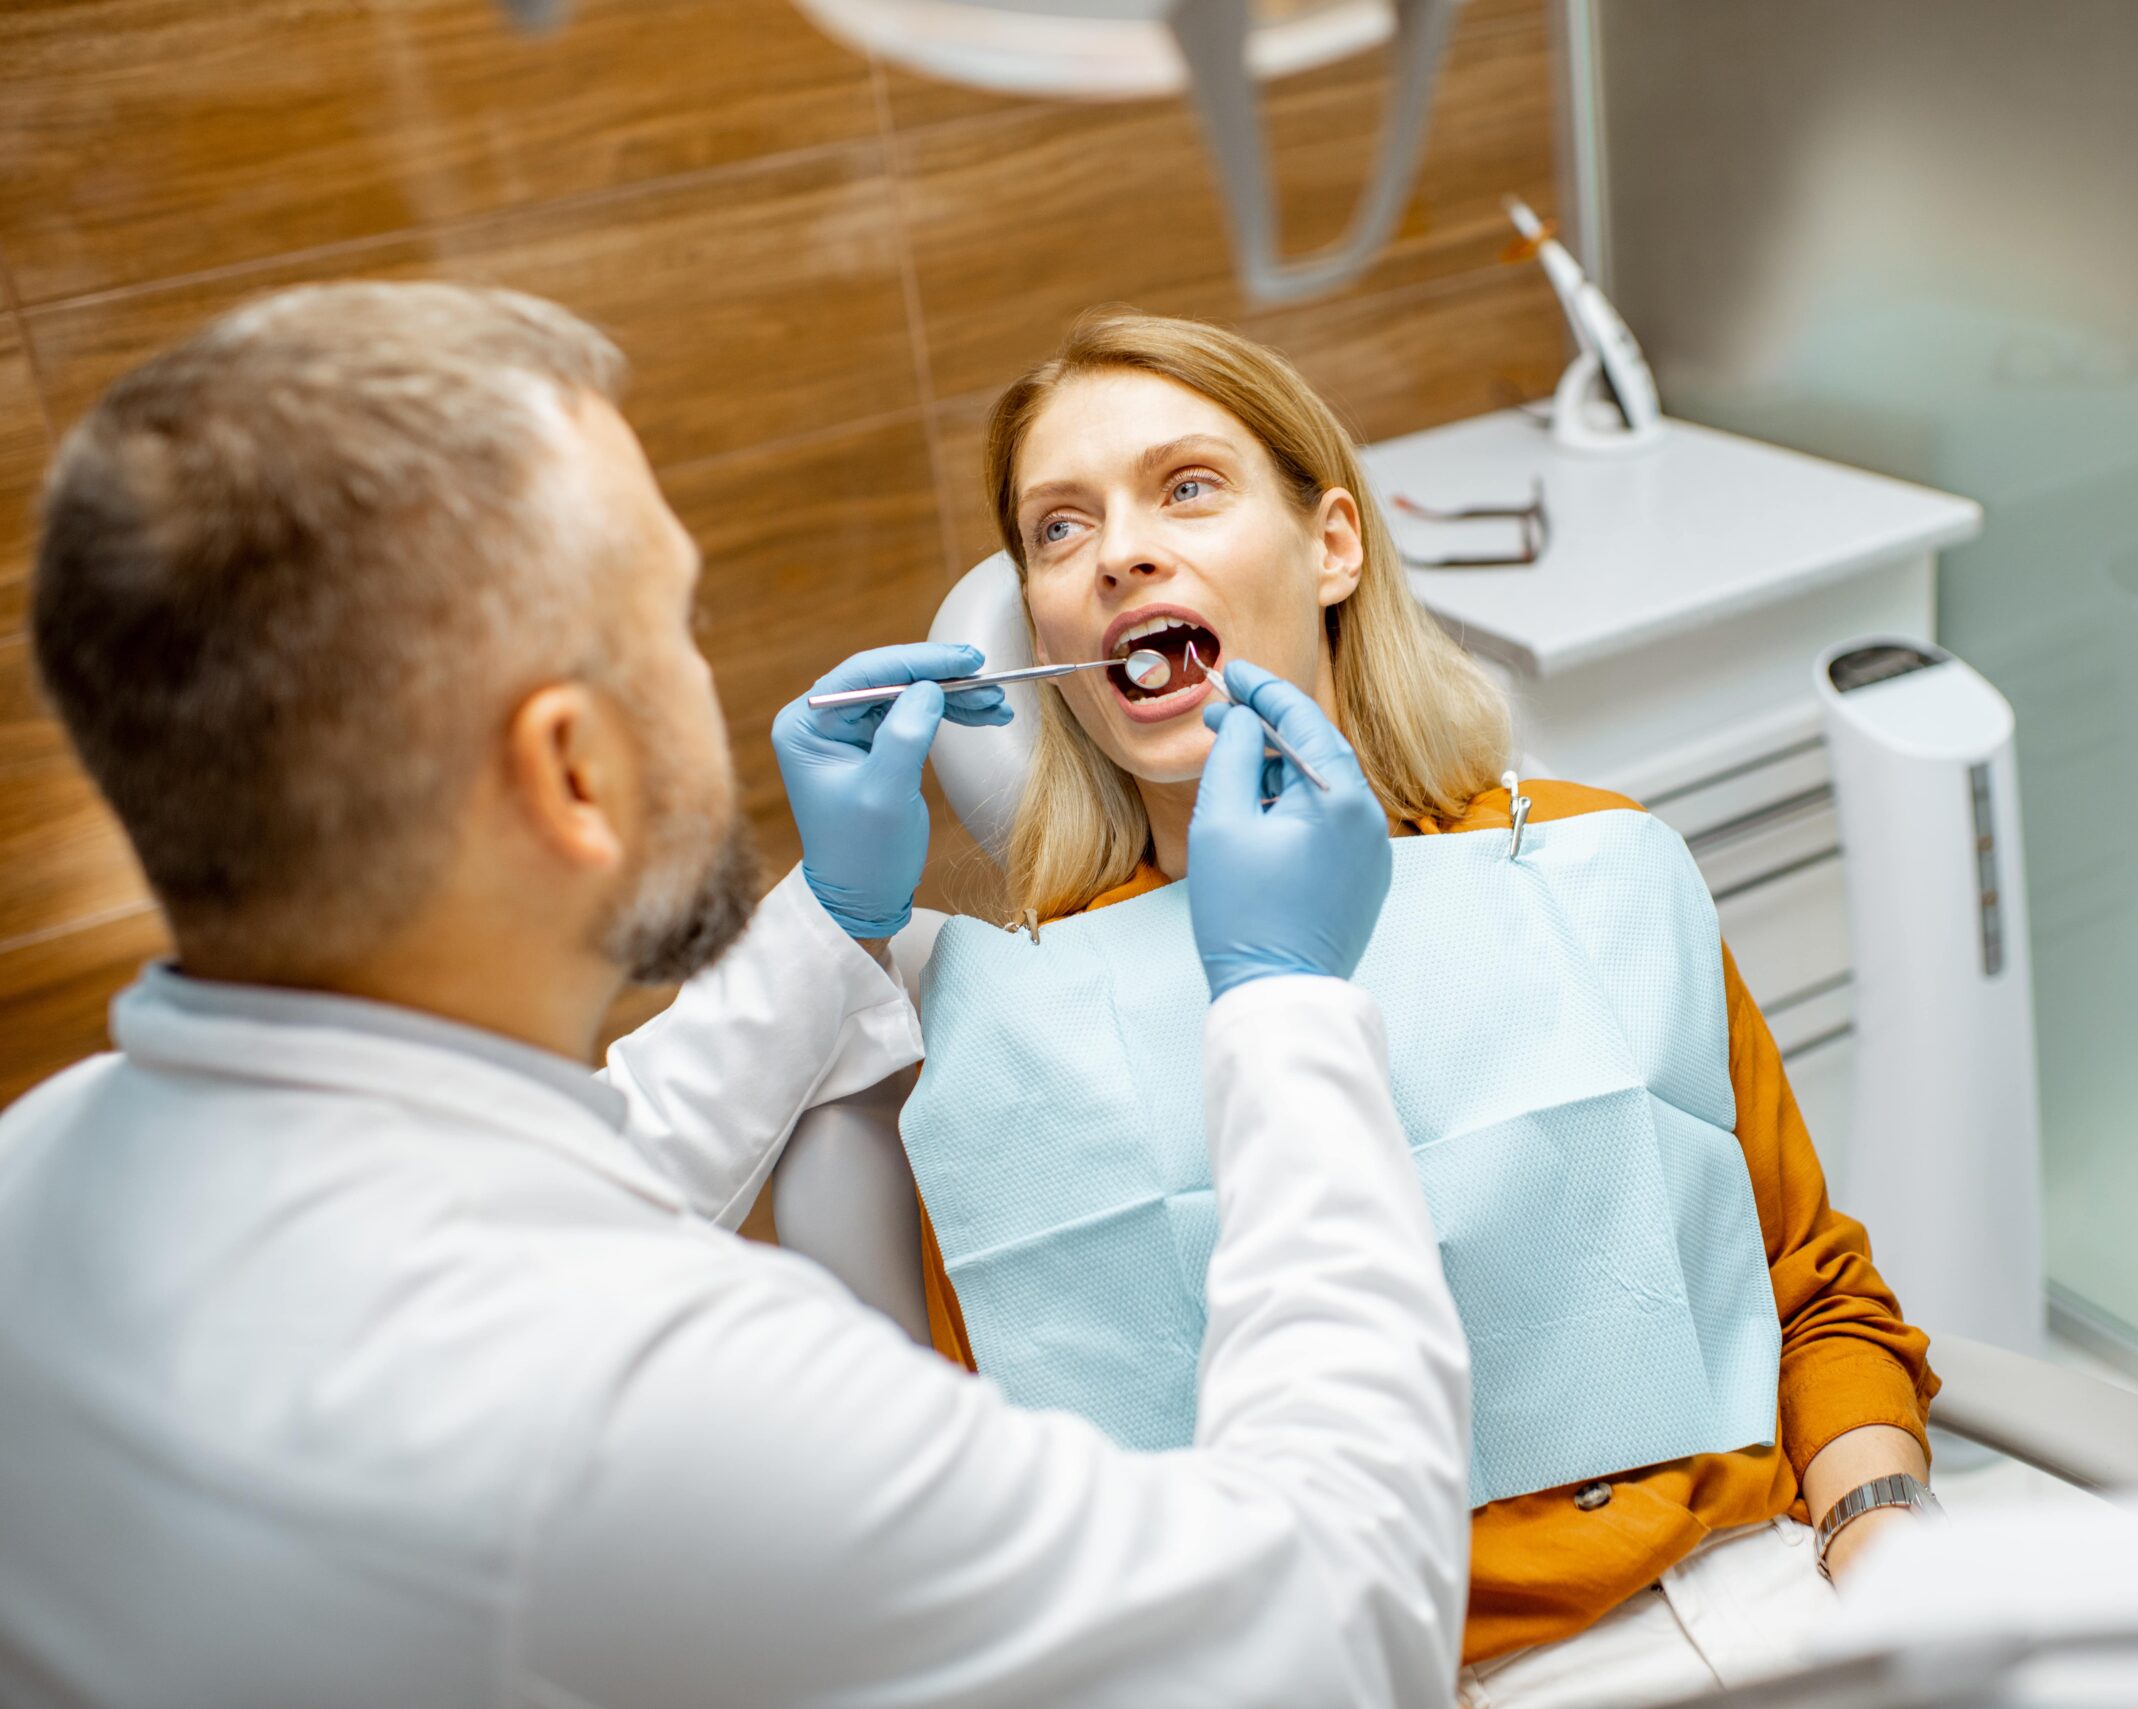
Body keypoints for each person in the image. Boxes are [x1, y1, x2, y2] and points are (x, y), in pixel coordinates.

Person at [0, 282, 1475, 1709]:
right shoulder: (661, 1408)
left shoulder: (40, 1165)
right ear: (574, 769)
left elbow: (565, 1165)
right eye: (679, 623)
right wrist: (1283, 1009)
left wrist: (831, 919)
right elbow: (1333, 1638)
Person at [900, 312, 1943, 1707]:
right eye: (1058, 528)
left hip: (1749, 1598)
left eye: (1187, 487)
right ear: (1041, 625)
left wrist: (1882, 1534)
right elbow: (1023, 1517)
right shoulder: (1005, 1033)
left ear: (1335, 544)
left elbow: (1813, 1290)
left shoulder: (1590, 866)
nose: (1120, 552)